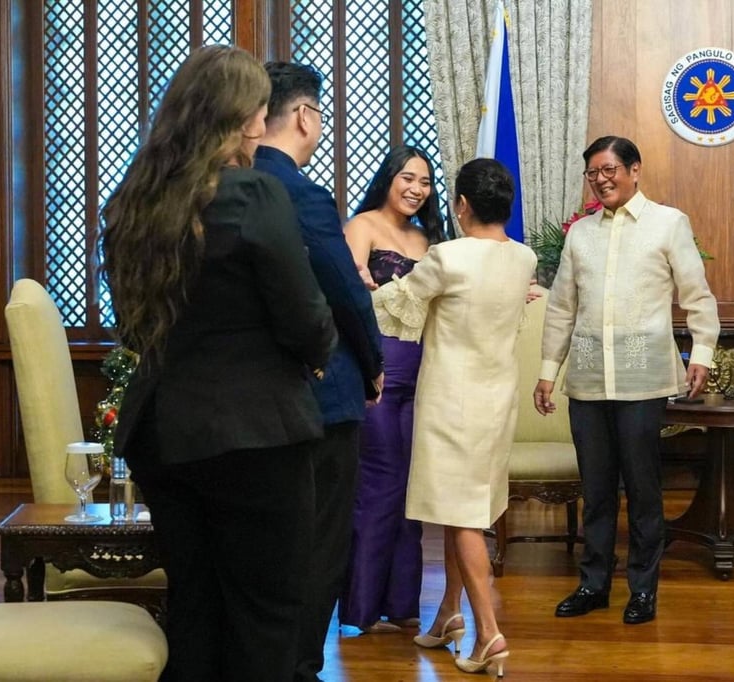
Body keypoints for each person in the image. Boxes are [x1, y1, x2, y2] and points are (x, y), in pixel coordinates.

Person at [100, 46, 337, 681]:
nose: (262, 124)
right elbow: (306, 316)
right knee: (265, 616)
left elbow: (132, 325)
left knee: (196, 609)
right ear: (244, 117)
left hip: (164, 435)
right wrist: (315, 358)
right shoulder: (253, 193)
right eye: (259, 110)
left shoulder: (132, 203)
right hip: (256, 433)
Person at [534, 135, 720, 625]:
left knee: (642, 489)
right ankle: (593, 584)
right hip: (589, 380)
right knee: (595, 489)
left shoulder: (668, 224)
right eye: (593, 172)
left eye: (610, 169)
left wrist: (702, 352)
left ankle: (643, 589)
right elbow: (560, 309)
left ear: (635, 170)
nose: (602, 179)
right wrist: (547, 372)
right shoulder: (581, 234)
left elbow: (697, 296)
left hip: (643, 380)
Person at [373, 158, 536, 677]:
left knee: (461, 516)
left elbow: (396, 309)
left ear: (461, 206)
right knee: (463, 507)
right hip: (496, 400)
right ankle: (449, 615)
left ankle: (488, 633)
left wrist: (359, 283)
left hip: (451, 401)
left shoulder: (448, 256)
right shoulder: (525, 258)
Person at [252, 61, 385, 682]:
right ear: (305, 116)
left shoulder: (224, 182)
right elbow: (346, 294)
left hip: (252, 397)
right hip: (322, 393)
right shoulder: (297, 192)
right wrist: (375, 365)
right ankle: (300, 666)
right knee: (321, 541)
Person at [339, 145, 446, 635]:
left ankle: (401, 607)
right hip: (377, 378)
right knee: (379, 486)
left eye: (424, 183)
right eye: (407, 178)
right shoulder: (361, 226)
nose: (416, 189)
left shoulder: (428, 240)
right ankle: (359, 610)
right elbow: (347, 296)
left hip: (424, 379)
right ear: (388, 178)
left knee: (411, 492)